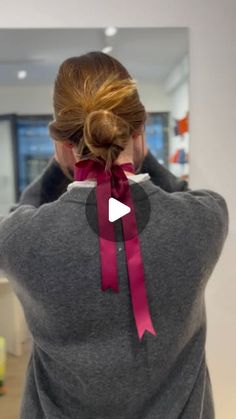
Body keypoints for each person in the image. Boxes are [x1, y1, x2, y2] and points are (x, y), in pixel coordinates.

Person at [0, 52, 229, 419]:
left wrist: (67, 166)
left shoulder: (19, 241)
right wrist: (137, 155)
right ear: (138, 134)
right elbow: (179, 191)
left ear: (61, 144)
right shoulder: (206, 221)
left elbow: (24, 212)